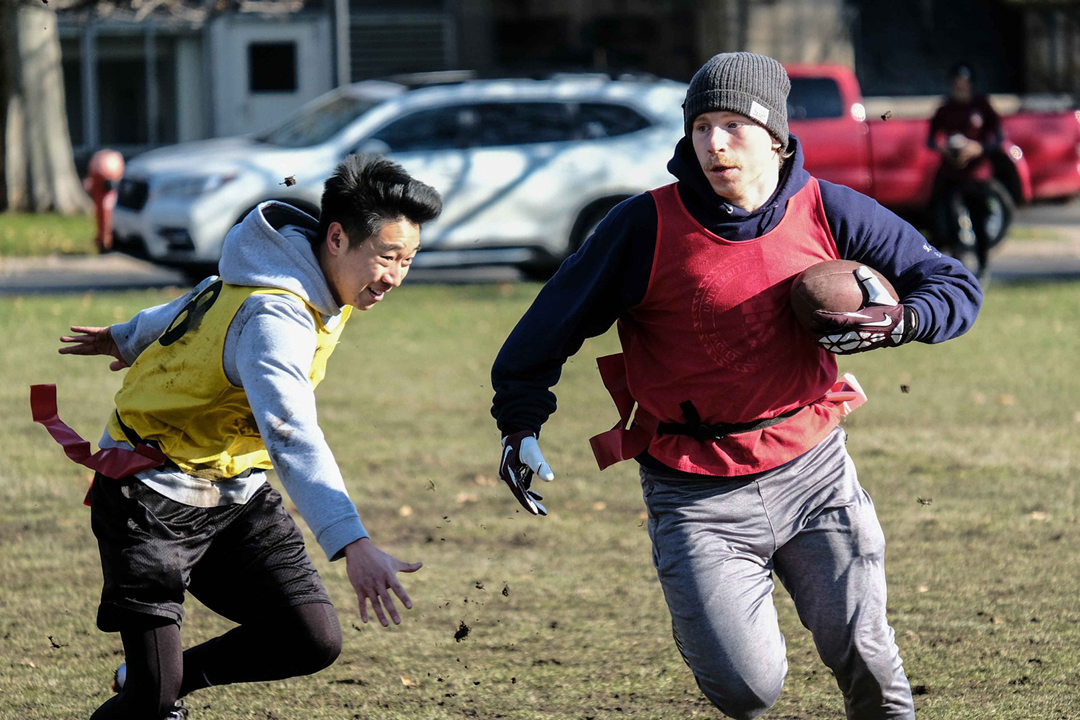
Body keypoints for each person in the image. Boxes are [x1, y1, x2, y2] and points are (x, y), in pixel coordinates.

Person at [491, 52, 981, 720]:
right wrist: (519, 423)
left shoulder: (830, 209)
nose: (715, 144)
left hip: (814, 473)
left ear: (777, 137)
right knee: (746, 690)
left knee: (866, 654)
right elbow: (545, 331)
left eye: (734, 126)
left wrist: (902, 320)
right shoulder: (642, 227)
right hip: (694, 492)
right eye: (701, 128)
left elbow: (955, 285)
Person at [43, 154, 441, 720]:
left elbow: (204, 298)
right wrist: (353, 544)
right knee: (151, 700)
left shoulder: (300, 271)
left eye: (408, 259)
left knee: (310, 638)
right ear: (336, 238)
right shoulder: (277, 315)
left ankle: (162, 680)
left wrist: (129, 336)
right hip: (150, 496)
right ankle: (154, 687)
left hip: (233, 495)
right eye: (386, 257)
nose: (395, 276)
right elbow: (291, 433)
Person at [927, 62, 1005, 279]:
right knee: (947, 221)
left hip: (976, 174)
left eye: (964, 83)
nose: (960, 87)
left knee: (979, 220)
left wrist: (977, 147)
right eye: (957, 83)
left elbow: (998, 138)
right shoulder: (945, 108)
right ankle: (957, 266)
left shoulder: (982, 106)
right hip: (951, 173)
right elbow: (932, 139)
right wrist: (944, 147)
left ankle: (983, 265)